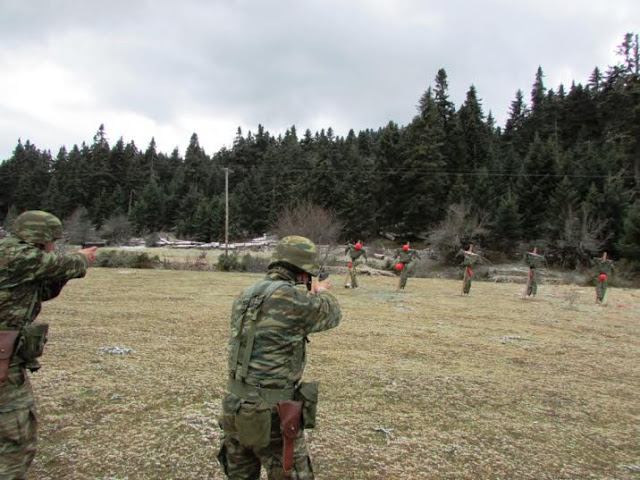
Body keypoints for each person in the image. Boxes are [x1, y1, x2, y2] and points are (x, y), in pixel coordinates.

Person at [217, 235, 341, 480]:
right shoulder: (293, 299)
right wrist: (321, 291)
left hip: (235, 406)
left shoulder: (246, 294)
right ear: (303, 273)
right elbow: (333, 314)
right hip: (273, 413)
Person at [0, 210, 97, 479]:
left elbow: (42, 289)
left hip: (8, 358)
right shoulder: (19, 256)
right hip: (4, 364)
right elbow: (65, 265)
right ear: (41, 239)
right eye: (53, 240)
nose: (55, 245)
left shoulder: (16, 258)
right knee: (14, 439)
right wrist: (83, 258)